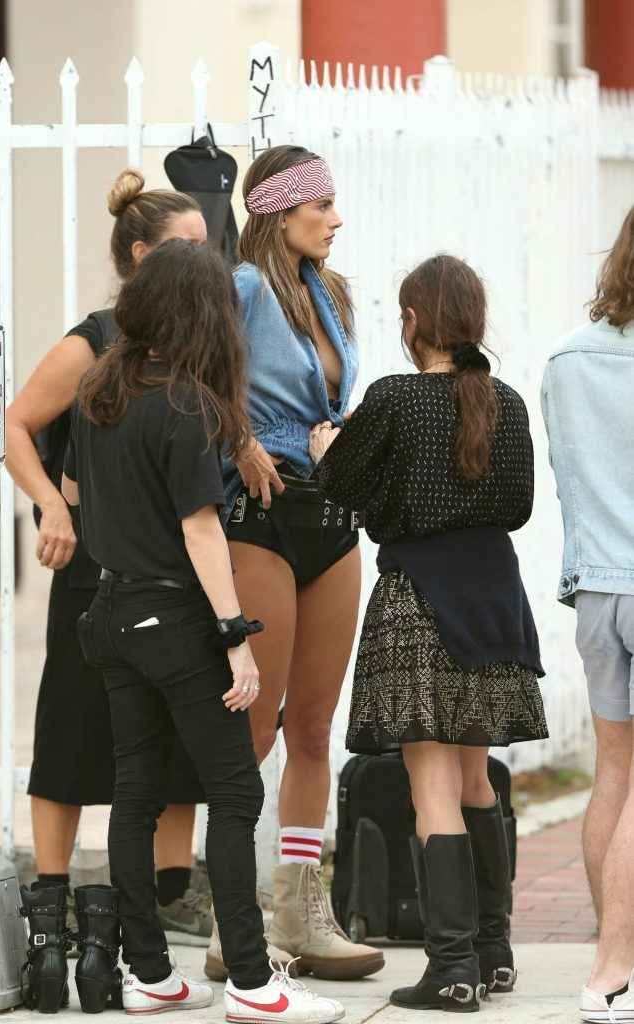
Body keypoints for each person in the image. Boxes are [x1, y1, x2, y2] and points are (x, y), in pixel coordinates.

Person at [62, 237, 346, 1022]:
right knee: (233, 790)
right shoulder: (188, 403)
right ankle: (252, 983)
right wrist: (233, 635)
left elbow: (74, 491)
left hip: (110, 612)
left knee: (134, 793)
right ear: (201, 315)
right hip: (173, 616)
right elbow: (200, 529)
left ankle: (149, 975)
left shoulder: (97, 392)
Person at [313, 254, 548, 1012]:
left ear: (412, 321)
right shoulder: (505, 401)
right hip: (493, 597)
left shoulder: (395, 397)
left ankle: (450, 968)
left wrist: (323, 450)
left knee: (431, 787)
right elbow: (518, 505)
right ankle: (492, 954)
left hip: (418, 596)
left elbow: (340, 490)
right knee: (475, 780)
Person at [5, 170, 212, 941]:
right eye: (186, 247)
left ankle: (171, 891)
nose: (203, 261)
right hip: (94, 568)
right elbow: (15, 427)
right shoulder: (89, 342)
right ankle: (51, 896)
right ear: (140, 254)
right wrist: (54, 506)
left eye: (206, 246)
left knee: (180, 725)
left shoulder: (196, 345)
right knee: (73, 718)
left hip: (177, 564)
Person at [207, 144, 383, 982]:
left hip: (330, 512)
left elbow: (334, 402)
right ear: (280, 213)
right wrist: (238, 438)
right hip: (260, 512)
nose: (335, 220)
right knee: (255, 724)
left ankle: (300, 908)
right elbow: (193, 377)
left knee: (313, 727)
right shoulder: (241, 288)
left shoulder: (331, 295)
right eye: (322, 207)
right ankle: (232, 916)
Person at [541, 207, 634, 1024]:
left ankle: (613, 957)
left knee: (613, 773)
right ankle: (613, 970)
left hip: (599, 590)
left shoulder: (568, 358)